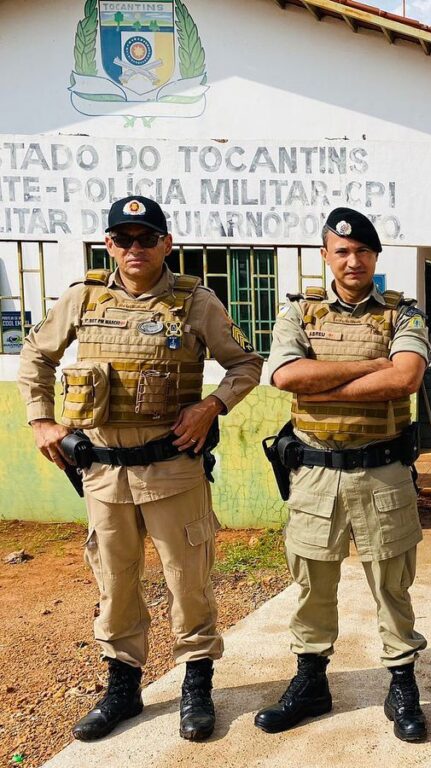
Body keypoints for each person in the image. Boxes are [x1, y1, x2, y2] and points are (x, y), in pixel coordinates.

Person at [18, 196, 263, 742]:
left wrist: (211, 405)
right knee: (115, 583)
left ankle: (196, 686)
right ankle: (122, 689)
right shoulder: (83, 298)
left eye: (146, 237)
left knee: (188, 582)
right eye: (123, 238)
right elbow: (36, 356)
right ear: (108, 244)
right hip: (102, 477)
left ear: (165, 244)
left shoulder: (195, 302)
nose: (134, 248)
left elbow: (245, 362)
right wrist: (42, 421)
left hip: (173, 471)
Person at [256, 207, 429, 742]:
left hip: (382, 471)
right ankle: (311, 683)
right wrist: (370, 366)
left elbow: (406, 378)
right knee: (311, 583)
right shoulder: (299, 315)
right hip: (315, 473)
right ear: (327, 256)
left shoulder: (404, 315)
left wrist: (322, 383)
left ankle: (401, 685)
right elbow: (286, 375)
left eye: (362, 251)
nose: (352, 260)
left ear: (376, 257)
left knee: (392, 584)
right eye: (341, 251)